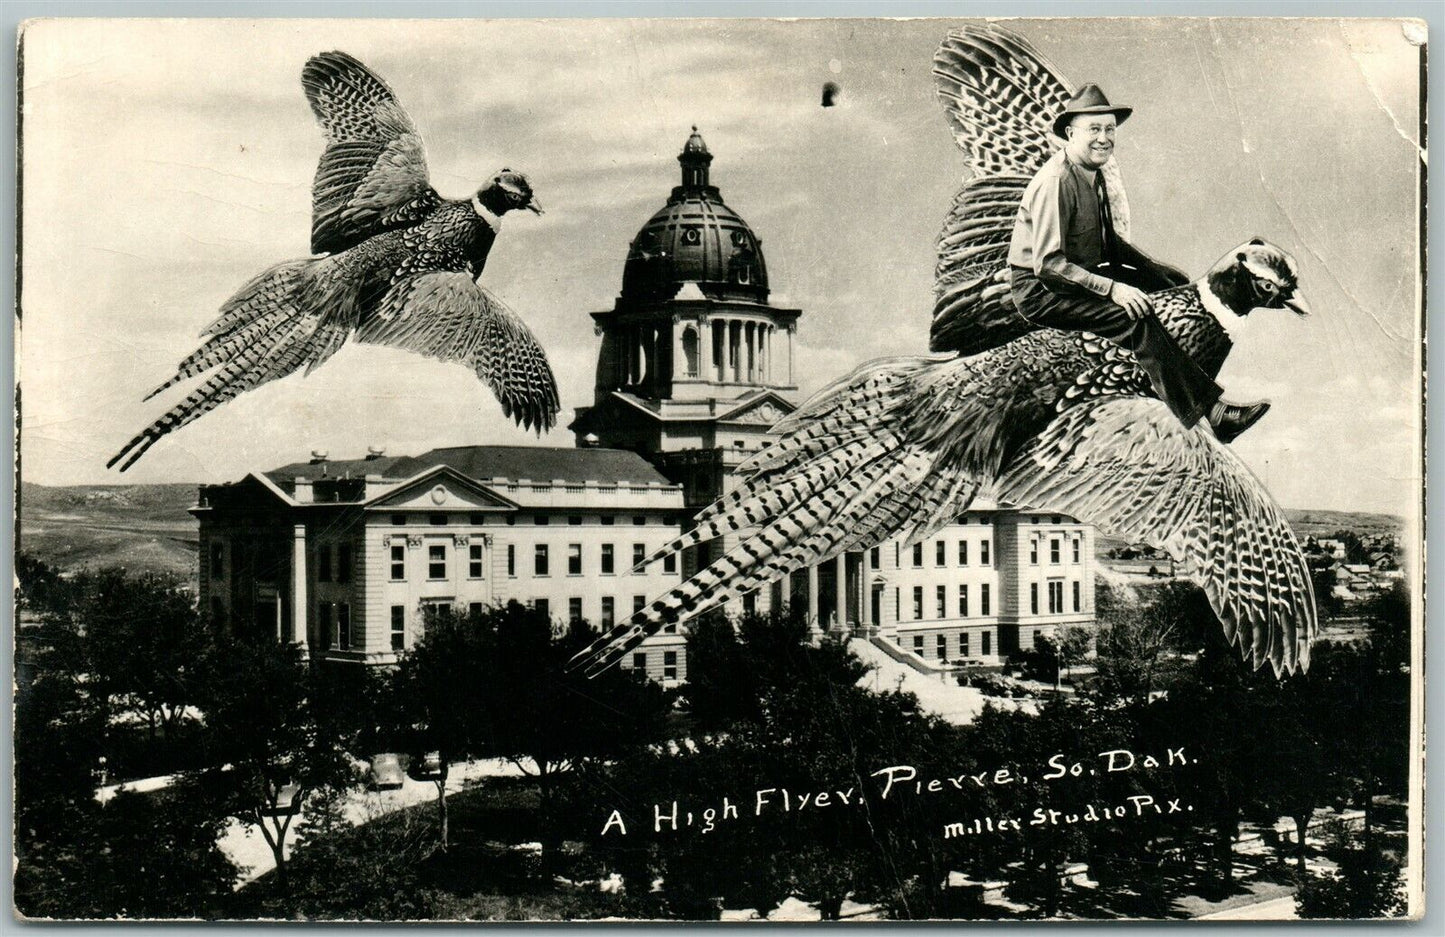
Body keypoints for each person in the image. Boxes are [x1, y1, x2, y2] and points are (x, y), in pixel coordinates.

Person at [1008, 84, 1268, 440]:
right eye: (1093, 129)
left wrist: (1153, 270)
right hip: (1043, 290)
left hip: (1078, 272)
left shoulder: (1091, 173)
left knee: (1173, 281)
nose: (1103, 138)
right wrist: (1114, 290)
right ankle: (1212, 412)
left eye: (1109, 129)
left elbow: (1106, 242)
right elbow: (1050, 264)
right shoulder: (1055, 182)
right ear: (1070, 133)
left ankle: (1176, 373)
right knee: (1137, 320)